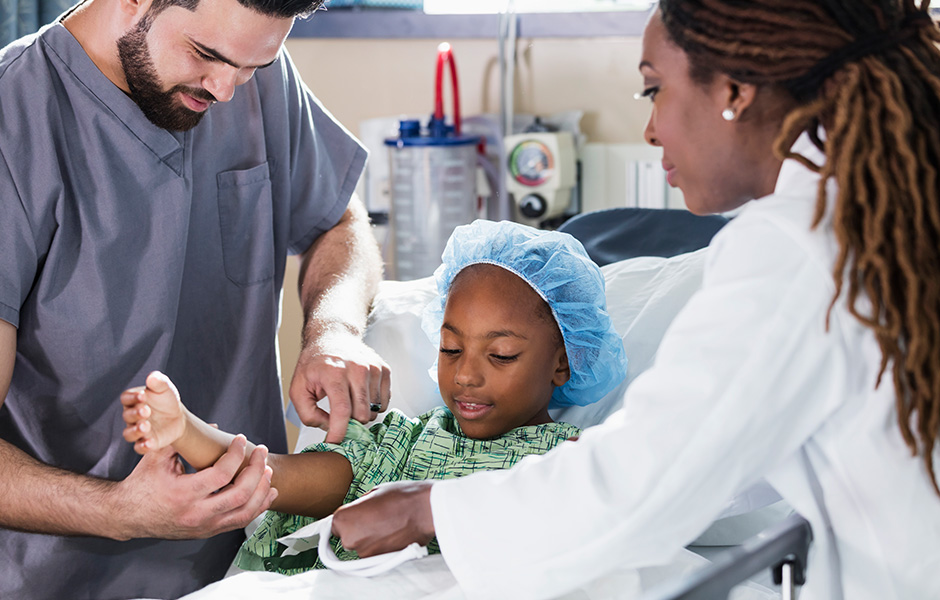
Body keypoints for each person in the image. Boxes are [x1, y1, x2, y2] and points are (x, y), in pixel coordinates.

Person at [328, 1, 940, 599]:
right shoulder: (883, 208)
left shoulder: (792, 246)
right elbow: (726, 452)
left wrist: (430, 509)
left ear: (734, 91)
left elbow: (647, 476)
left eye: (654, 91)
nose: (650, 129)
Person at [0, 0, 390, 595]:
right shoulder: (16, 122)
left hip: (250, 567)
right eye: (206, 56)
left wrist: (333, 330)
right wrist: (119, 512)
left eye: (252, 67)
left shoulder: (251, 76)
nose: (228, 92)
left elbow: (340, 223)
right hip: (61, 577)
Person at [121, 219, 629, 575]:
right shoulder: (401, 441)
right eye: (451, 348)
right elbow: (279, 476)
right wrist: (186, 430)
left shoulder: (569, 463)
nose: (467, 375)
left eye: (500, 355)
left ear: (562, 360)